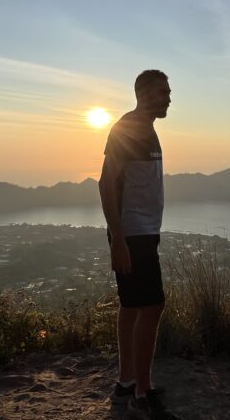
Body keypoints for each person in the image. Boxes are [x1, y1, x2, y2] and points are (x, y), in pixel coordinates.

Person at [99, 70, 172, 419]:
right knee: (153, 306)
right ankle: (142, 393)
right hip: (134, 235)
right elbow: (105, 182)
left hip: (139, 232)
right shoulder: (129, 128)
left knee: (131, 307)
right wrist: (119, 240)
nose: (169, 98)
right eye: (163, 92)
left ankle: (127, 381)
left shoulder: (147, 127)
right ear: (144, 94)